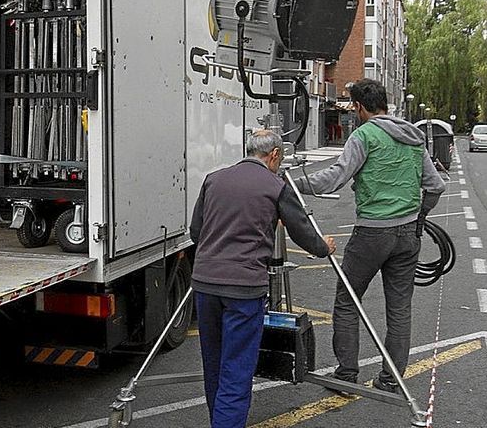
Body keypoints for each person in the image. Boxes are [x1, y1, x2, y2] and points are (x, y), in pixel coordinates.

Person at [293, 79, 446, 393]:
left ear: (360, 107)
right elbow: (435, 186)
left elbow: (335, 178)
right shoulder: (415, 137)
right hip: (407, 236)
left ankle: (347, 375)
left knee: (348, 301)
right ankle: (390, 380)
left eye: (353, 107)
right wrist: (418, 218)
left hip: (372, 233)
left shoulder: (363, 134)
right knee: (400, 309)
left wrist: (295, 182)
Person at [189, 129, 336, 428]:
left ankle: (218, 420)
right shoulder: (275, 185)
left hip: (205, 284)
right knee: (237, 369)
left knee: (214, 364)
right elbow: (301, 230)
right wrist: (324, 247)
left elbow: (196, 231)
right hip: (244, 288)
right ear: (275, 155)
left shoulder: (214, 179)